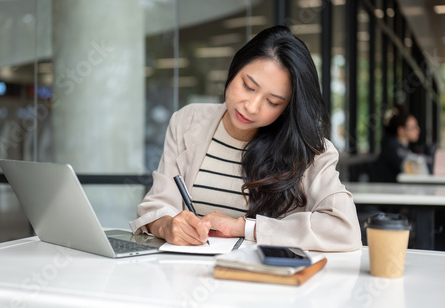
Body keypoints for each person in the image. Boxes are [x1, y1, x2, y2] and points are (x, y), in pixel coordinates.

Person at [130, 25, 361, 252]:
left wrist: (244, 228)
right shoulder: (188, 121)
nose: (251, 107)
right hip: (190, 276)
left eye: (272, 102)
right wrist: (167, 226)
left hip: (266, 281)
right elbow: (157, 205)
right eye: (248, 86)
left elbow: (344, 229)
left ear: (288, 108)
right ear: (234, 70)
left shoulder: (310, 150)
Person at [371, 104, 422, 182]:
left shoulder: (400, 147)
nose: (418, 130)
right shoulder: (393, 148)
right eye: (413, 127)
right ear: (401, 130)